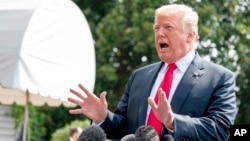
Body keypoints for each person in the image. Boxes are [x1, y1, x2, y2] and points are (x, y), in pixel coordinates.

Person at [67, 3, 237, 141]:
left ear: (190, 36)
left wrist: (172, 122)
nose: (160, 33)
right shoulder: (139, 77)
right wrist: (103, 117)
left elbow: (221, 130)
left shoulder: (219, 78)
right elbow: (123, 128)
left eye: (168, 27)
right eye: (156, 28)